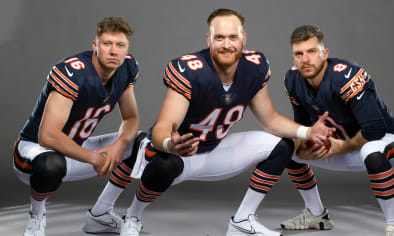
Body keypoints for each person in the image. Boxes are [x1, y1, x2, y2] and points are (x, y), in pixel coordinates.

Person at [86, 9, 334, 236]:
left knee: (283, 145)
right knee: (165, 163)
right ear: (209, 40)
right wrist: (172, 145)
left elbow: (269, 119)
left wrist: (307, 131)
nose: (227, 45)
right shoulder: (190, 69)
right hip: (178, 154)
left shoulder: (255, 66)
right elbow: (163, 127)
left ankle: (242, 220)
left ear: (244, 38)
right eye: (220, 38)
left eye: (233, 38)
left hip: (215, 150)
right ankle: (132, 217)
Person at [12, 17, 145, 236]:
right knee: (51, 165)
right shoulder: (73, 72)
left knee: (140, 143)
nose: (114, 51)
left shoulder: (126, 67)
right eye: (107, 44)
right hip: (35, 153)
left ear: (127, 48)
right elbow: (48, 136)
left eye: (120, 45)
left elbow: (130, 117)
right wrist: (93, 158)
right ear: (95, 45)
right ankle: (36, 215)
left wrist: (120, 145)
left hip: (75, 150)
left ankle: (100, 214)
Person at [280, 25, 394, 236]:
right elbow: (301, 124)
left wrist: (341, 148)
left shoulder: (346, 74)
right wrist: (304, 145)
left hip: (386, 142)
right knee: (286, 150)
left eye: (312, 51)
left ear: (325, 53)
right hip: (341, 146)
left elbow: (374, 130)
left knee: (372, 154)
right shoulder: (292, 79)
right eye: (299, 54)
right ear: (293, 57)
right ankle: (316, 214)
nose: (305, 59)